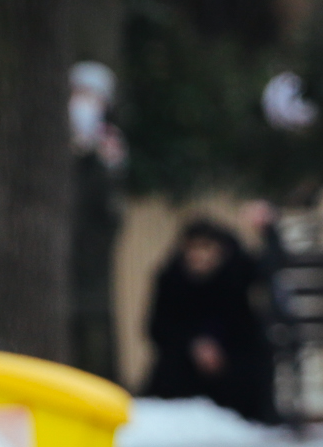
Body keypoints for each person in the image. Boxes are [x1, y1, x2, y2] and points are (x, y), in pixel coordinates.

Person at [140, 217, 277, 424]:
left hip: (233, 356)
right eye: (195, 249)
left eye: (208, 248)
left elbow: (270, 267)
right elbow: (157, 327)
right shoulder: (170, 279)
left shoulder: (235, 273)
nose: (201, 256)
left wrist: (269, 230)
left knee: (251, 365)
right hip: (185, 363)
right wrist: (194, 345)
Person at [68, 62, 128, 384]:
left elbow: (110, 212)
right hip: (61, 251)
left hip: (91, 256)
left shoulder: (109, 148)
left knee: (93, 321)